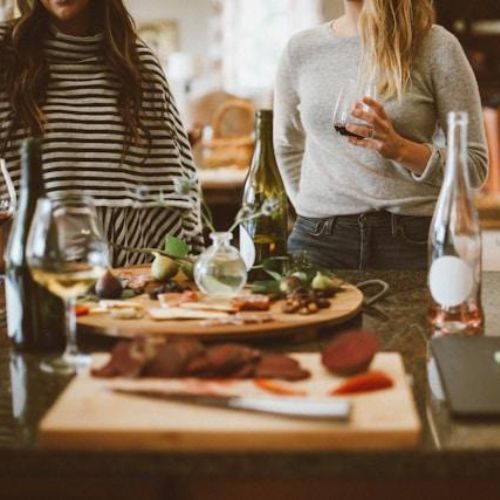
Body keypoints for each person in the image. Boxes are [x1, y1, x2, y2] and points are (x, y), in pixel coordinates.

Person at [273, 0, 488, 270]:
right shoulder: (300, 49)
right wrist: (311, 208)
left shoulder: (436, 45)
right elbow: (286, 145)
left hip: (412, 241)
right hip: (318, 242)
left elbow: (475, 166)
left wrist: (401, 150)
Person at [0, 0, 202, 267]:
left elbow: (176, 190)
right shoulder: (6, 56)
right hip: (28, 273)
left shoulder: (138, 63)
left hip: (127, 276)